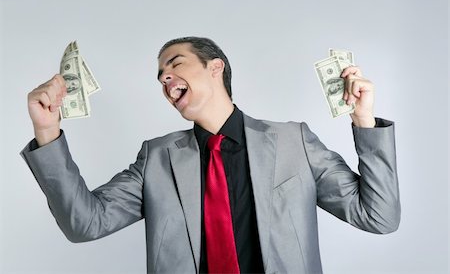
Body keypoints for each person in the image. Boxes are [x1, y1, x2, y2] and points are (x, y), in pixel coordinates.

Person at [21, 37, 400, 274]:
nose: (164, 78)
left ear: (215, 67)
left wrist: (364, 120)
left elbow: (378, 216)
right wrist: (46, 130)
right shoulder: (157, 159)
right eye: (160, 76)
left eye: (175, 64)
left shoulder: (293, 141)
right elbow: (84, 224)